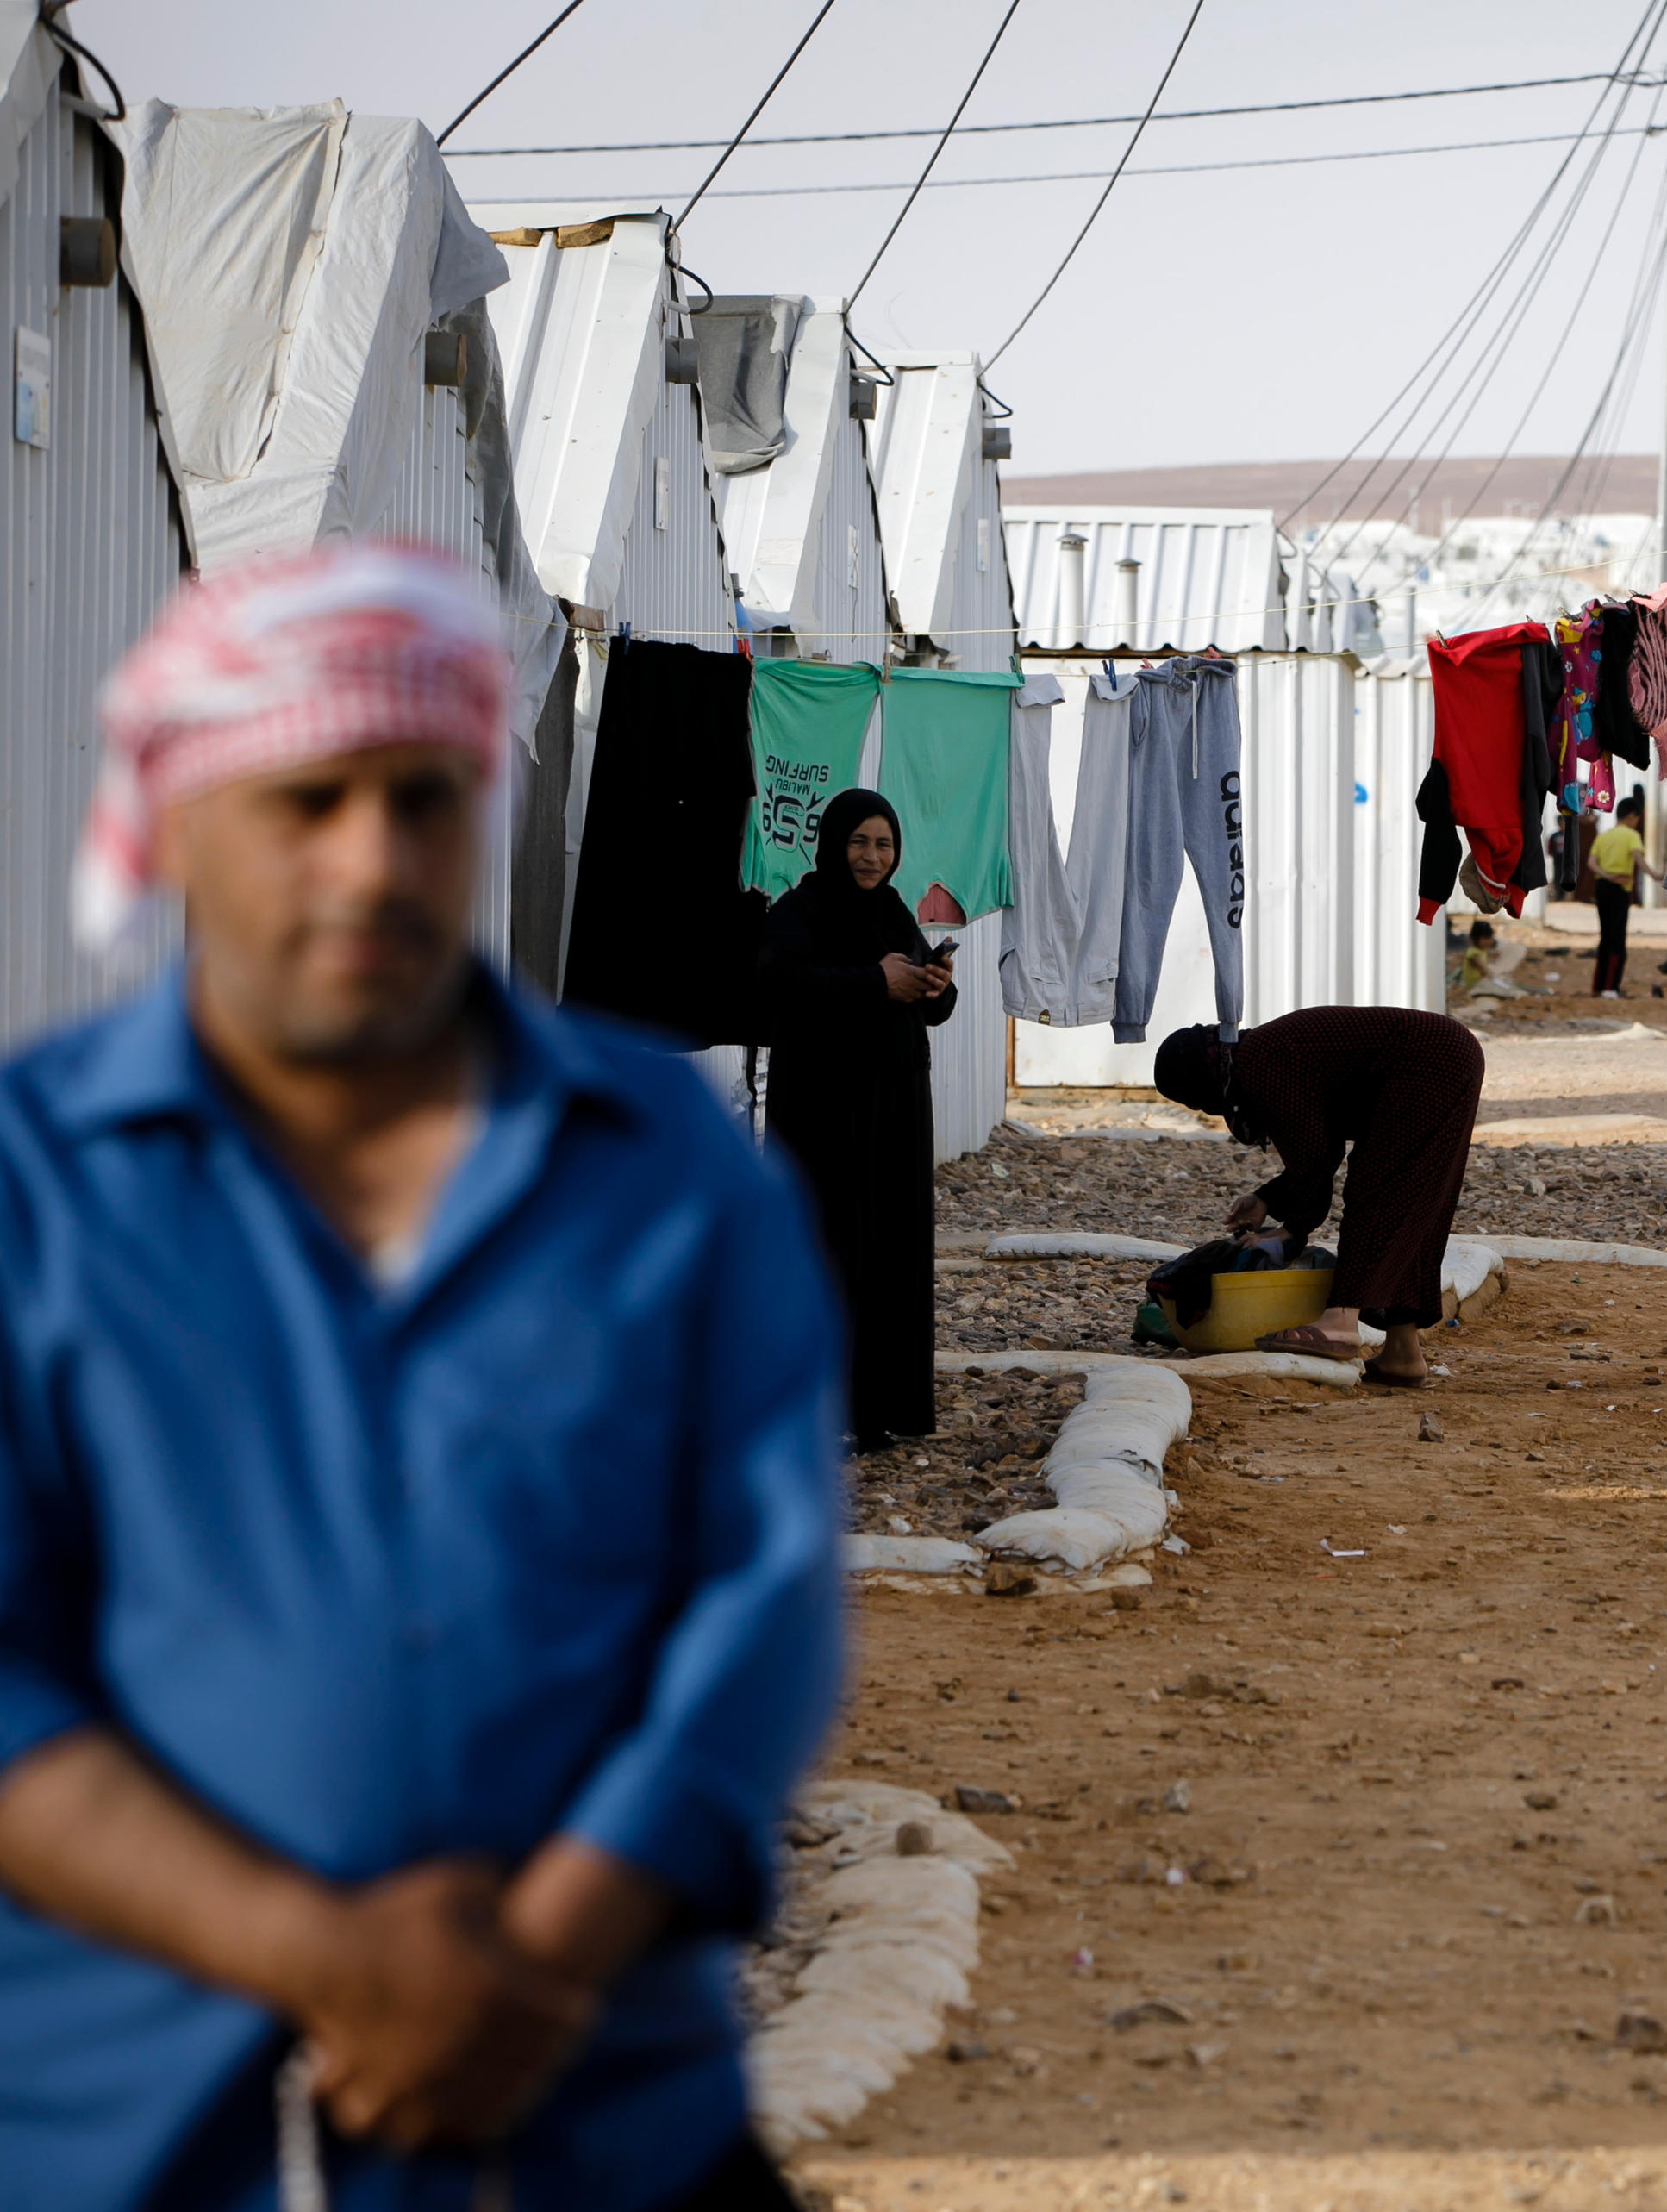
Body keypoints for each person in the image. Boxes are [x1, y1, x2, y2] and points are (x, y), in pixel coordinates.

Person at [0, 544, 843, 2210]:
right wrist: (327, 1960)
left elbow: (764, 1602)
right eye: (304, 800)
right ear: (175, 824)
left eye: (424, 797)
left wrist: (526, 1964)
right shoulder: (39, 1189)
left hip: (596, 2119)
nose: (373, 861)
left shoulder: (667, 1168)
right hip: (139, 2141)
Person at [758, 788, 953, 1450]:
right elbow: (777, 987)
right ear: (834, 843)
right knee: (832, 1248)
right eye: (860, 842)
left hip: (895, 1109)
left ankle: (882, 1407)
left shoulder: (894, 910)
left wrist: (935, 986)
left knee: (890, 1248)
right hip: (824, 1115)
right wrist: (876, 983)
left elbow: (926, 1005)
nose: (873, 858)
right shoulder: (801, 911)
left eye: (884, 844)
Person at [1150, 1009, 1485, 1386]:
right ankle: (1403, 1354)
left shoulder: (1260, 1063)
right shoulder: (1256, 1055)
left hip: (1431, 1058)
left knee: (1379, 1189)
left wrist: (1292, 1230)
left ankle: (1340, 1322)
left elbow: (1312, 1161)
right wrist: (1266, 1199)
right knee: (1410, 1201)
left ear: (1200, 1079)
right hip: (1446, 1053)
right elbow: (1322, 1150)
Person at [1588, 790, 1647, 998]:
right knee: (1618, 939)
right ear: (1631, 816)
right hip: (1620, 889)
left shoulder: (1604, 837)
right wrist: (1659, 875)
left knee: (1605, 937)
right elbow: (1638, 860)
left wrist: (1607, 876)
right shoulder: (1632, 836)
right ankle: (1611, 987)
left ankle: (1598, 986)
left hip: (1602, 888)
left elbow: (1591, 864)